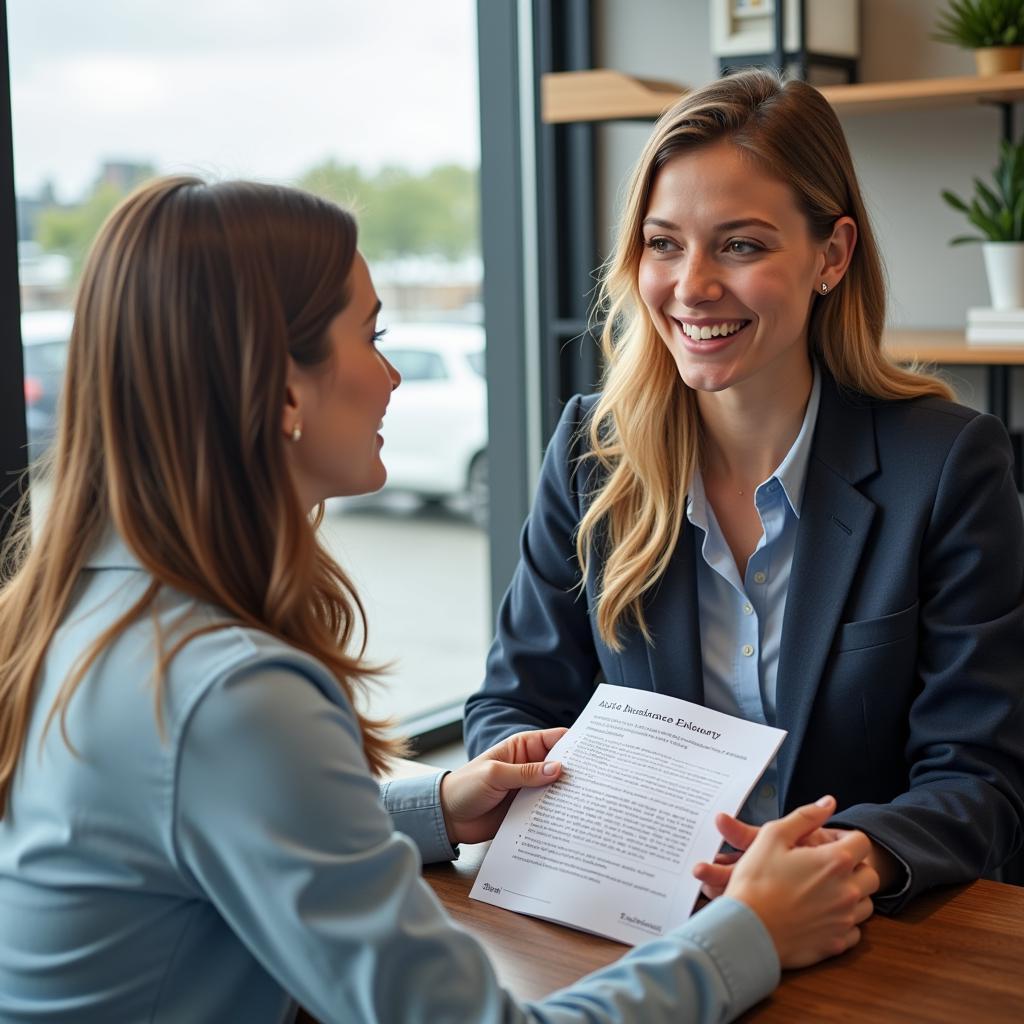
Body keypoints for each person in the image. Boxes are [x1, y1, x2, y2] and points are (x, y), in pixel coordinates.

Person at [0, 175, 877, 1023]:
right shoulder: (232, 695)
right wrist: (752, 931)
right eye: (372, 338)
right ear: (280, 387)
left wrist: (436, 804)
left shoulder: (83, 612)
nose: (393, 379)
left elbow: (196, 819)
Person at [464, 68, 1024, 910]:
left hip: (858, 933)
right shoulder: (593, 452)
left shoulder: (946, 466)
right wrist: (536, 776)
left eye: (741, 244)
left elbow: (981, 775)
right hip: (633, 921)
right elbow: (514, 704)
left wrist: (847, 860)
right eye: (663, 243)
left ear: (831, 256)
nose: (691, 286)